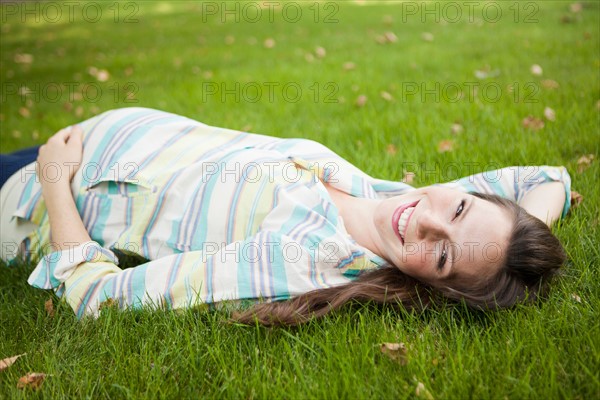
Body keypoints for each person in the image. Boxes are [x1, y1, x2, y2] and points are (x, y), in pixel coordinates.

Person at [0, 107, 571, 326]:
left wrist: (54, 178)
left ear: (432, 286)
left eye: (443, 253)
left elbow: (99, 299)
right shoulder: (393, 198)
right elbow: (550, 178)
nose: (426, 221)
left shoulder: (296, 259)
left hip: (33, 199)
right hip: (84, 143)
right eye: (462, 205)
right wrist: (514, 246)